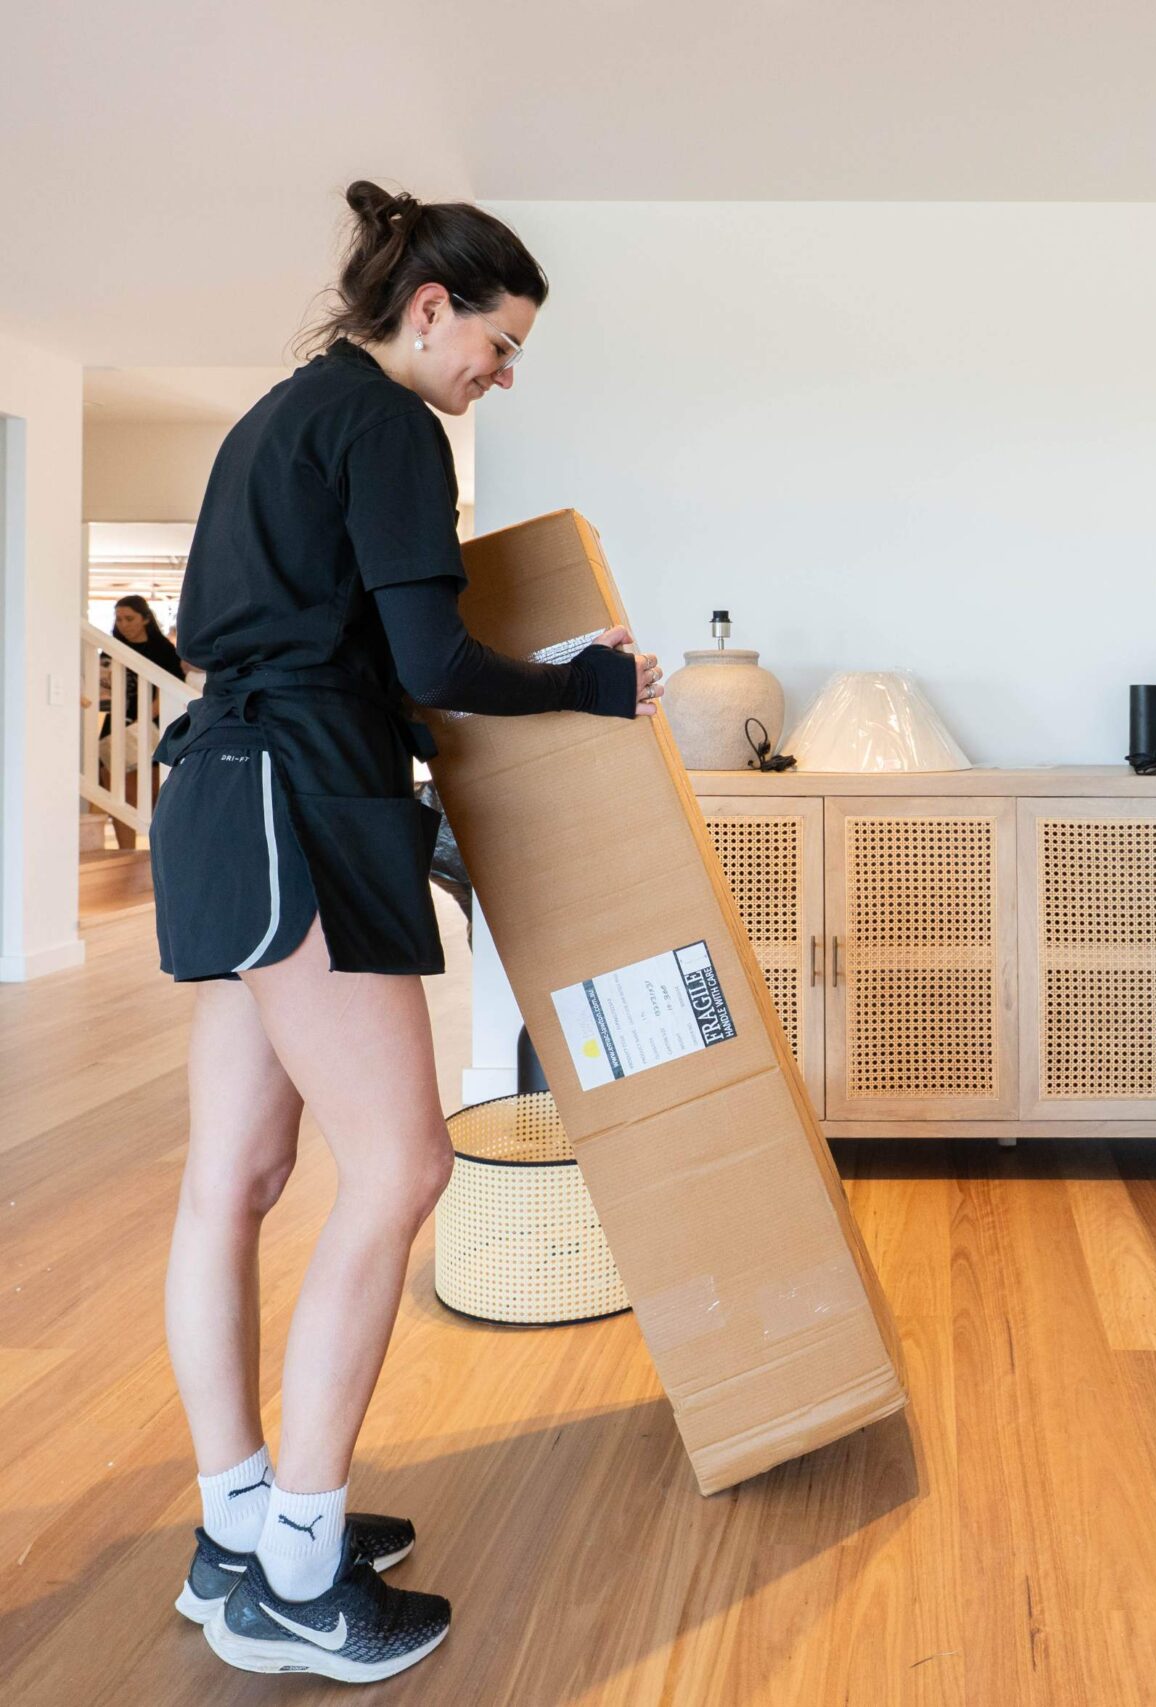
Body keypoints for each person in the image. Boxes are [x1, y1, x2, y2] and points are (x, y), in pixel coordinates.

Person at [148, 180, 664, 1685]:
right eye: (496, 346)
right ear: (429, 308)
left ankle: (236, 1522)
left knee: (231, 1178)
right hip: (299, 798)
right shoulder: (386, 424)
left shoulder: (279, 416)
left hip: (226, 790)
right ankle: (299, 1571)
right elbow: (431, 655)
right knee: (406, 1163)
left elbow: (301, 638)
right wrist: (583, 685)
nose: (498, 376)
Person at [98, 594, 186, 849]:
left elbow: (169, 687)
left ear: (145, 618)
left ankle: (156, 844)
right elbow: (104, 685)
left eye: (130, 618)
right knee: (112, 780)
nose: (124, 624)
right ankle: (125, 847)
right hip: (117, 720)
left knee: (150, 785)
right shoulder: (111, 648)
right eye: (119, 619)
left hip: (150, 723)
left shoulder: (163, 650)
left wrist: (145, 718)